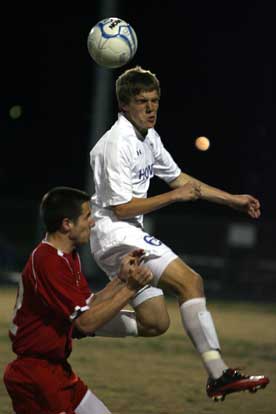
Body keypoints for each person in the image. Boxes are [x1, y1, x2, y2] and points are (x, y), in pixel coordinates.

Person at [89, 66, 269, 401]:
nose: (151, 108)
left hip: (125, 232)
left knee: (155, 323)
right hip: (115, 233)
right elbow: (122, 208)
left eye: (155, 100)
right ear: (124, 105)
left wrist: (232, 200)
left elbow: (180, 180)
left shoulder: (149, 137)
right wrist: (173, 197)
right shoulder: (115, 144)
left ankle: (74, 321)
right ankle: (218, 375)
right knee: (191, 282)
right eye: (142, 101)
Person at [3, 186, 153, 414]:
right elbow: (85, 323)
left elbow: (88, 304)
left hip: (56, 370)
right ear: (67, 224)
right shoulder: (48, 261)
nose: (92, 223)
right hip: (36, 377)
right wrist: (131, 289)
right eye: (87, 216)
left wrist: (122, 279)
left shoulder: (66, 256)